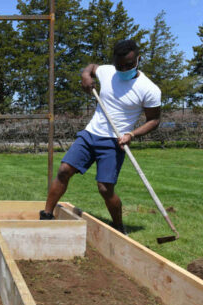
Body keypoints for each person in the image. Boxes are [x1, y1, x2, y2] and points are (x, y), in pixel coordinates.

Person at [40, 39, 161, 235]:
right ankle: (46, 215)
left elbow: (154, 120)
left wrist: (131, 134)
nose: (123, 69)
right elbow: (92, 67)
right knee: (64, 170)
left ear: (138, 59)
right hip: (90, 135)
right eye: (119, 65)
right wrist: (85, 75)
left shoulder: (149, 89)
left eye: (128, 65)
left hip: (114, 142)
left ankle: (119, 227)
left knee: (105, 189)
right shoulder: (107, 72)